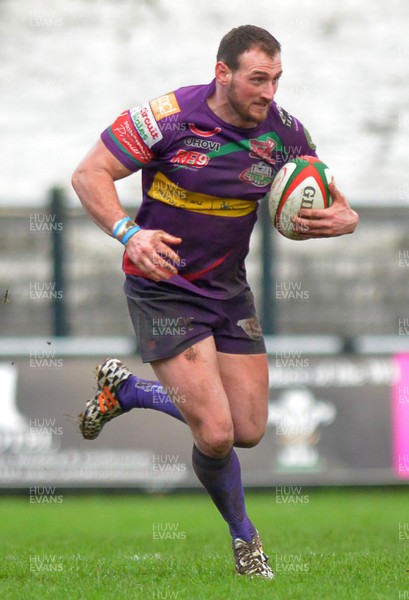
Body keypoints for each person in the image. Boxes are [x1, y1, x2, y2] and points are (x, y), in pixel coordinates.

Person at [72, 25, 358, 580]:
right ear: (222, 72)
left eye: (276, 79)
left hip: (228, 290)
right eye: (258, 79)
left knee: (247, 428)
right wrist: (131, 234)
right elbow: (89, 175)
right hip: (164, 287)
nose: (269, 92)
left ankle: (127, 390)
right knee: (218, 433)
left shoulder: (284, 134)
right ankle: (246, 540)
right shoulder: (169, 118)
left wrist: (347, 218)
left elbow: (326, 192)